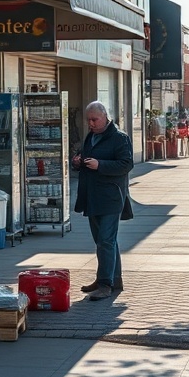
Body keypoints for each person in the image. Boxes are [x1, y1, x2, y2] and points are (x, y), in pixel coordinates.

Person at [72, 101, 134, 301]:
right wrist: (79, 162)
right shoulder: (91, 137)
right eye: (88, 120)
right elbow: (88, 161)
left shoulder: (119, 138)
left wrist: (100, 165)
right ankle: (111, 279)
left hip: (111, 197)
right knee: (103, 241)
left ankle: (105, 284)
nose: (90, 123)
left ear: (105, 116)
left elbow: (126, 164)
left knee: (106, 241)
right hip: (93, 197)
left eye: (94, 119)